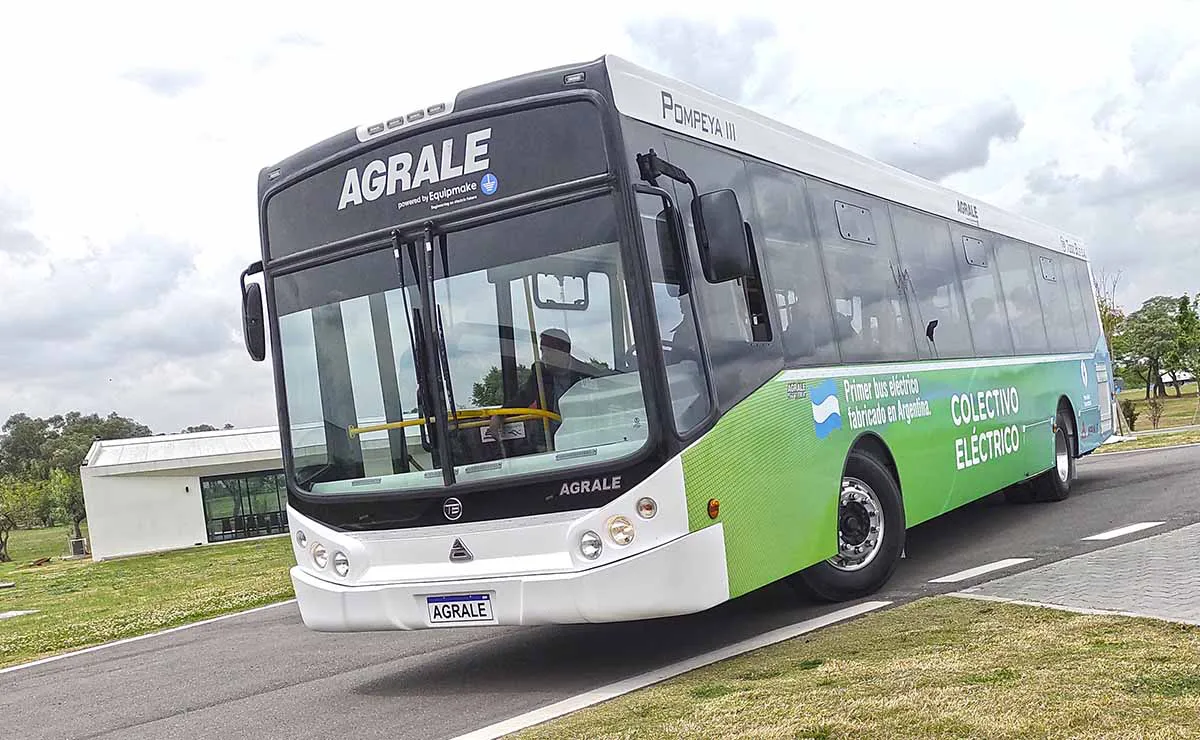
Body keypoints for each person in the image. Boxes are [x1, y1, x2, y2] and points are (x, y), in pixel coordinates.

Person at [487, 328, 600, 444]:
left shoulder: (587, 374)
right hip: (550, 439)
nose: (543, 357)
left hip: (583, 435)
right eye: (542, 351)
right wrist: (500, 414)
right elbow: (524, 397)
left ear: (564, 351)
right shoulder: (540, 373)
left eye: (548, 351)